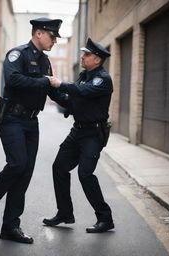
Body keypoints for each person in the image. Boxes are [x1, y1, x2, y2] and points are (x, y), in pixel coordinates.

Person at [0, 18, 68, 244]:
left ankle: (10, 227)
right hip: (11, 117)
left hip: (31, 121)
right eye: (52, 36)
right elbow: (13, 80)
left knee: (25, 172)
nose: (54, 41)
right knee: (17, 164)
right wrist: (46, 82)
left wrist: (75, 102)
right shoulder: (17, 54)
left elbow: (53, 92)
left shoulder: (45, 61)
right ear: (39, 34)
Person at [43, 38, 114, 233]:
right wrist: (50, 87)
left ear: (97, 60)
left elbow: (83, 91)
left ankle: (105, 218)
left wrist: (60, 84)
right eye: (83, 54)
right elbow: (71, 101)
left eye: (87, 55)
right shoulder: (83, 76)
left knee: (85, 174)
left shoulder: (102, 79)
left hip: (93, 134)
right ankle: (65, 213)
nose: (82, 57)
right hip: (78, 131)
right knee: (59, 167)